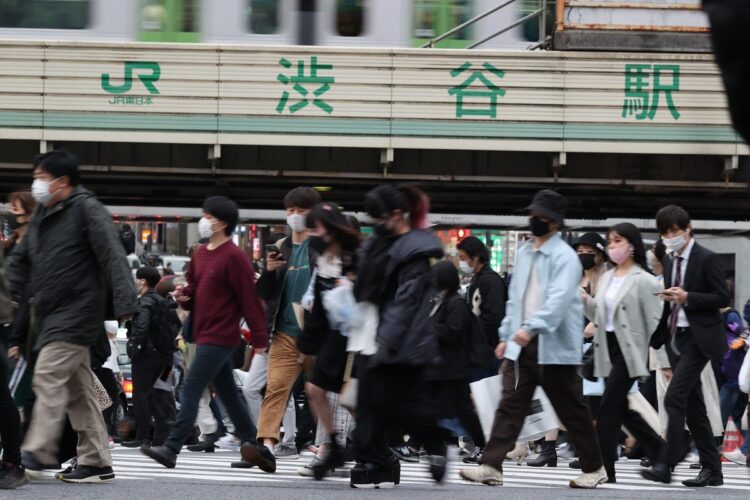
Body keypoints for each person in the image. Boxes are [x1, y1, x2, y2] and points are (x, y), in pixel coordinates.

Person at [459, 189, 607, 489]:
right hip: (522, 342)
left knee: (571, 409)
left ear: (555, 222)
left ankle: (595, 467)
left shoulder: (566, 257)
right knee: (510, 405)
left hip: (553, 346)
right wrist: (506, 335)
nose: (534, 220)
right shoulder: (525, 252)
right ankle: (491, 465)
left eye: (541, 216)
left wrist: (529, 329)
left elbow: (558, 302)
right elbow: (516, 299)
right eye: (532, 215)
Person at [10, 150, 138, 484]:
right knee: (80, 392)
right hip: (50, 313)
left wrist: (126, 302)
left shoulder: (87, 209)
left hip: (78, 311)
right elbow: (20, 261)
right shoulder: (44, 214)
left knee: (49, 374)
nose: (36, 184)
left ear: (62, 181)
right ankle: (96, 461)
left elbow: (113, 255)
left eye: (41, 177)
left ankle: (36, 449)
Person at [141, 196, 273, 471]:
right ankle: (255, 445)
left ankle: (172, 447)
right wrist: (184, 296)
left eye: (208, 216)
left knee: (191, 388)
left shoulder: (235, 257)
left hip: (222, 335)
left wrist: (261, 340)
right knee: (227, 394)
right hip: (203, 332)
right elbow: (196, 289)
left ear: (222, 223)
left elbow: (249, 301)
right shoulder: (201, 254)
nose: (203, 220)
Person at [350, 184, 448, 488]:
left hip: (403, 342)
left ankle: (434, 441)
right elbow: (362, 288)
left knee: (402, 405)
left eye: (378, 217)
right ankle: (374, 461)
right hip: (372, 335)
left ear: (396, 215)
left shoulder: (416, 253)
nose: (373, 224)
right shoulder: (376, 245)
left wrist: (385, 341)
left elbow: (405, 304)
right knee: (369, 403)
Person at [642, 205, 730, 487]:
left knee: (673, 397)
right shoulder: (669, 260)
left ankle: (668, 461)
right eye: (666, 232)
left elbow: (721, 298)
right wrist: (671, 299)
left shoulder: (707, 258)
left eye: (675, 231)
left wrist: (688, 297)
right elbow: (674, 302)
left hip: (699, 340)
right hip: (675, 338)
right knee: (694, 408)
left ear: (688, 229)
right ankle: (712, 470)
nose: (671, 236)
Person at [581, 223, 665, 483]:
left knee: (608, 407)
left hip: (630, 349)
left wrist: (650, 350)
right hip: (606, 346)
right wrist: (586, 302)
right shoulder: (607, 276)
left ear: (631, 245)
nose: (612, 246)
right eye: (610, 242)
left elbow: (656, 320)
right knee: (620, 408)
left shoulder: (645, 280)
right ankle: (665, 451)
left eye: (617, 241)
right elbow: (600, 315)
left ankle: (603, 468)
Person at [255, 187, 321, 460]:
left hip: (318, 335)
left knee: (326, 395)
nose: (294, 215)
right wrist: (269, 273)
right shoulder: (281, 247)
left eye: (301, 210)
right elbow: (265, 293)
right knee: (275, 389)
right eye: (290, 210)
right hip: (284, 332)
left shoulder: (324, 245)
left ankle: (330, 448)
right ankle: (267, 445)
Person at [297, 202, 360, 479]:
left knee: (350, 400)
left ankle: (378, 448)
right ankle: (333, 445)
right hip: (334, 336)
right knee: (314, 390)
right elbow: (319, 308)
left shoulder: (356, 256)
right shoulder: (322, 258)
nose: (313, 233)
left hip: (359, 336)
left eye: (317, 226)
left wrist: (352, 285)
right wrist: (307, 345)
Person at [424, 260, 487, 464]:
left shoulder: (455, 302)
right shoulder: (439, 300)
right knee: (427, 403)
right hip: (438, 365)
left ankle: (482, 445)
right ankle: (420, 443)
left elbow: (453, 330)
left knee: (463, 410)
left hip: (453, 366)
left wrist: (430, 327)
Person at [122, 266, 174, 448]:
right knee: (156, 392)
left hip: (145, 354)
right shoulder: (162, 301)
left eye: (137, 279)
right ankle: (161, 432)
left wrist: (133, 347)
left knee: (140, 395)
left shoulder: (144, 302)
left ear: (142, 281)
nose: (135, 282)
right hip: (165, 356)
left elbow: (141, 327)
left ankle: (142, 436)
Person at [457, 236, 507, 381]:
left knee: (485, 393)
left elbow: (495, 316)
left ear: (476, 257)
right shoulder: (476, 278)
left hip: (487, 350)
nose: (461, 262)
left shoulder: (491, 280)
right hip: (477, 348)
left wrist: (477, 336)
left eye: (463, 257)